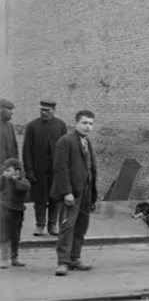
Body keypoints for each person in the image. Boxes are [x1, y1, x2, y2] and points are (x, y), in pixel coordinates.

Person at [52, 110, 98, 276]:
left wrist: (92, 194)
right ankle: (63, 262)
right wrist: (66, 192)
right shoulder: (65, 141)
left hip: (86, 191)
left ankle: (74, 259)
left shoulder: (87, 142)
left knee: (81, 227)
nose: (88, 126)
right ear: (76, 123)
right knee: (67, 226)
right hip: (71, 192)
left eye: (91, 124)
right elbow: (60, 168)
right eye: (85, 123)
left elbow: (91, 168)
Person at [23, 99, 67, 237]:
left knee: (55, 198)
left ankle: (52, 225)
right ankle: (40, 225)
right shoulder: (32, 126)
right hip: (38, 169)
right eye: (41, 110)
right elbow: (27, 150)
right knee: (40, 198)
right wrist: (29, 170)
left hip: (56, 170)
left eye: (47, 111)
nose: (44, 113)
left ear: (53, 111)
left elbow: (66, 149)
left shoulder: (60, 125)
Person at [1, 158, 30, 269]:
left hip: (17, 211)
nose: (7, 171)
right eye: (6, 169)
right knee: (4, 234)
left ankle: (14, 257)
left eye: (10, 169)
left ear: (17, 170)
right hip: (4, 209)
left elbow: (23, 187)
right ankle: (4, 258)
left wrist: (13, 179)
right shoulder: (4, 180)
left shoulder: (23, 181)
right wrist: (3, 177)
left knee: (16, 235)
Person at [0, 99, 18, 165]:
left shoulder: (10, 126)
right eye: (10, 109)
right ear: (1, 109)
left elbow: (15, 148)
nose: (12, 112)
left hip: (9, 169)